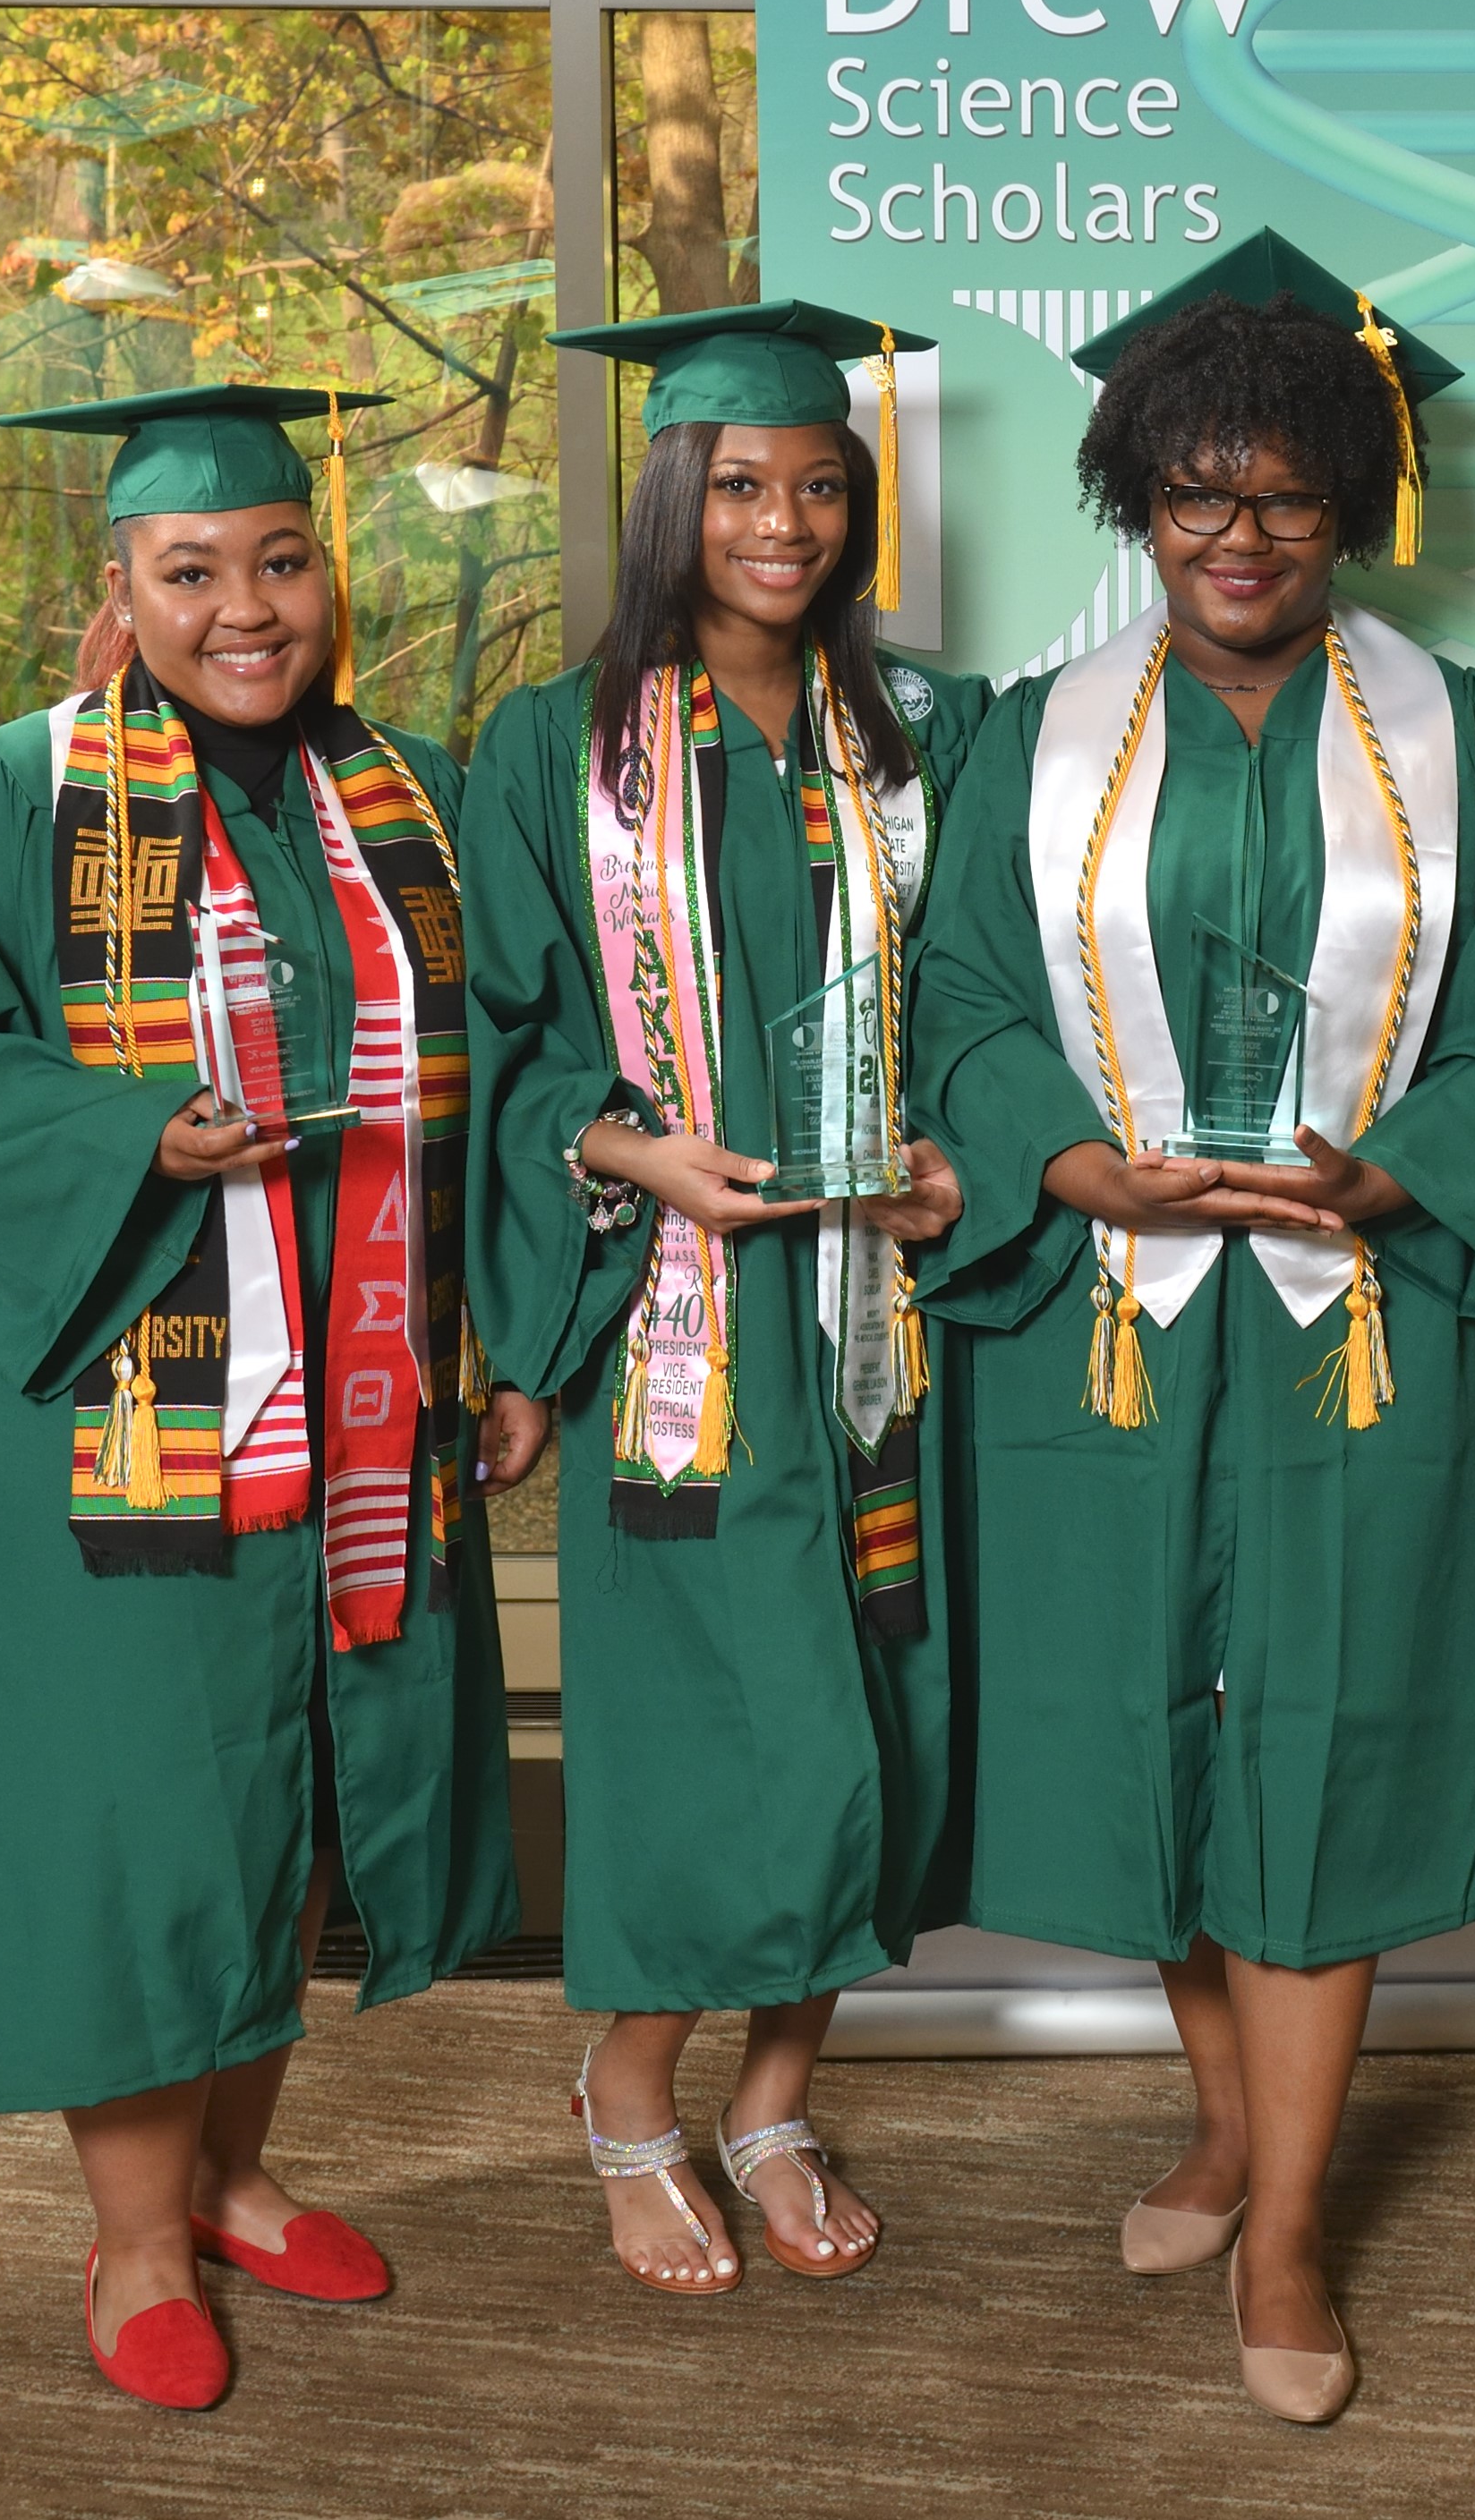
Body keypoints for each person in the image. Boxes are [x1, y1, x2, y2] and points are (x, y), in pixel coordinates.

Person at [906, 231, 1475, 2423]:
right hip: (1098, 1309)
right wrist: (1067, 1159)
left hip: (1341, 1315)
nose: (1239, 535)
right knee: (1143, 1726)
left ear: (1350, 506)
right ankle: (1226, 2114)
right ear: (1133, 497)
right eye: (1195, 491)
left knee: (1323, 1727)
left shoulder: (1455, 734)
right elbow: (970, 999)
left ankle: (1290, 2210)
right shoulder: (1038, 732)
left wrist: (1397, 1169)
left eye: (1287, 493)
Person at [0, 383, 527, 2411]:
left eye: (279, 561)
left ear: (329, 572)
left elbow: (489, 1087)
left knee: (293, 1768)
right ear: (114, 592)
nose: (246, 605)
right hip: (96, 1399)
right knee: (137, 1809)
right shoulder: (8, 791)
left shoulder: (405, 790)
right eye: (191, 570)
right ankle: (135, 2235)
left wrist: (503, 1348)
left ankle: (231, 2170)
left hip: (365, 1385)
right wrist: (139, 1133)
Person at [467, 302, 969, 2297]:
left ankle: (774, 2097)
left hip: (873, 1316)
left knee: (870, 1708)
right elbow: (503, 1042)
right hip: (674, 1320)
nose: (785, 520)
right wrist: (621, 1147)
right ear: (673, 492)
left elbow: (1002, 1008)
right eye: (743, 483)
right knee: (694, 1729)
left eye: (820, 484)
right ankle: (627, 2094)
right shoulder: (551, 749)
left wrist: (962, 1163)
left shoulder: (928, 735)